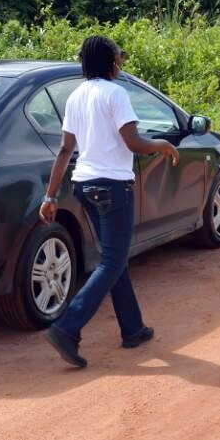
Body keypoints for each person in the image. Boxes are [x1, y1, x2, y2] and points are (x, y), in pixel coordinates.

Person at [40, 35, 180, 368]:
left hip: (84, 186)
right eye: (121, 56)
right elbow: (132, 142)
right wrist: (163, 145)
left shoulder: (75, 97)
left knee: (114, 259)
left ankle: (133, 329)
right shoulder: (116, 94)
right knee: (112, 262)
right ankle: (66, 327)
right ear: (110, 61)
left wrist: (50, 196)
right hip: (113, 187)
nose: (122, 62)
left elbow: (64, 151)